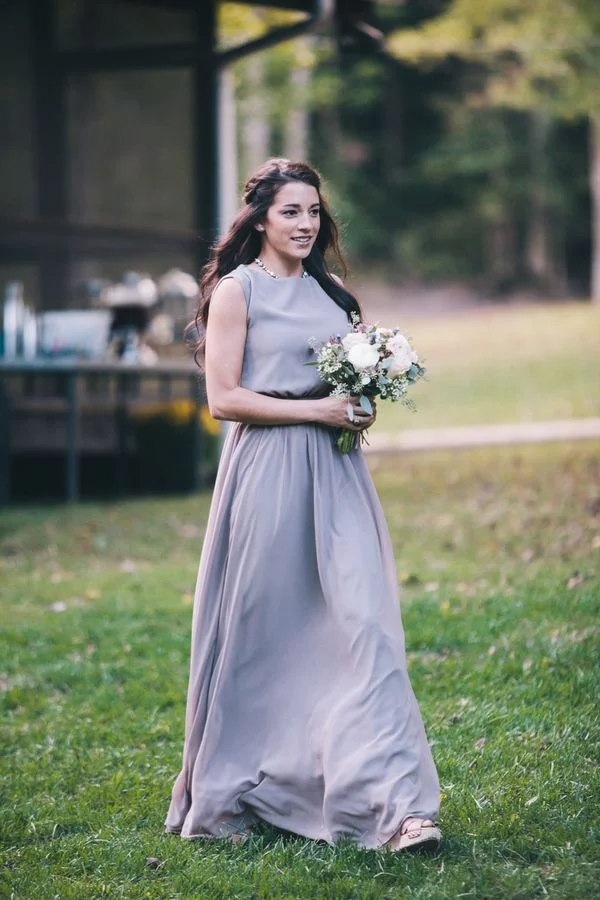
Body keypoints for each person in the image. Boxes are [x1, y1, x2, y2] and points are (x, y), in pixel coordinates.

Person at [165, 158, 441, 852]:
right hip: (266, 472)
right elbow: (223, 398)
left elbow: (355, 393)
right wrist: (317, 411)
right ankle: (247, 786)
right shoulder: (237, 292)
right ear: (260, 218)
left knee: (367, 629)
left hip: (338, 476)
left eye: (314, 212)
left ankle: (403, 809)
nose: (305, 224)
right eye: (291, 212)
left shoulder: (336, 292)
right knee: (265, 638)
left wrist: (359, 406)